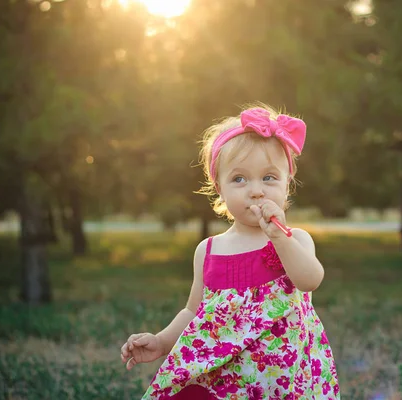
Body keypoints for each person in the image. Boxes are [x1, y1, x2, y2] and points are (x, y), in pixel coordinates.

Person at [120, 105, 340, 399]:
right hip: (226, 382)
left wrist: (279, 237)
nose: (256, 190)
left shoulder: (295, 239)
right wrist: (162, 342)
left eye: (269, 177)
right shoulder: (209, 250)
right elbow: (193, 311)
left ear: (288, 182)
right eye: (239, 179)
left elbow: (310, 280)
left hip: (285, 382)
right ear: (219, 188)